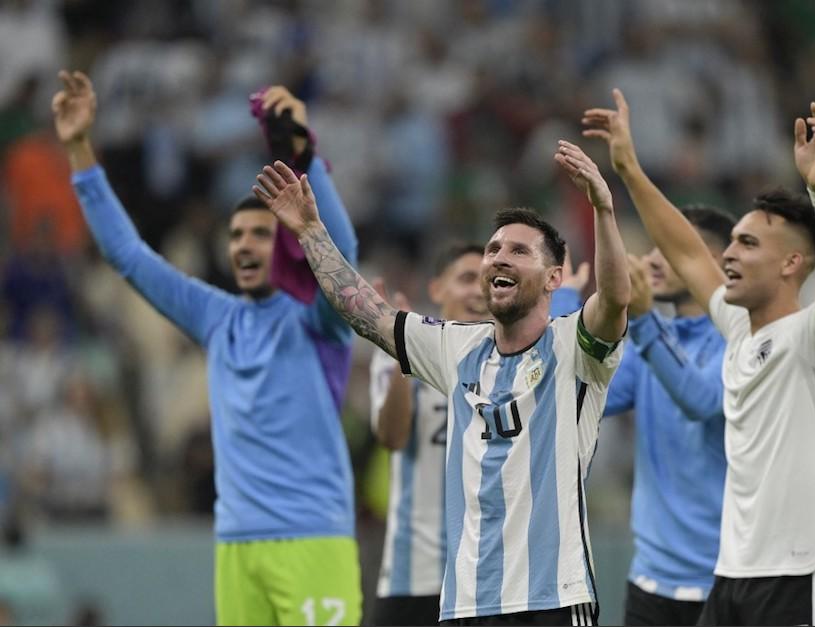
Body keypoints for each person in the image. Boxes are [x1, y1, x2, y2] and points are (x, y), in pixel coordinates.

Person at [253, 139, 631, 625]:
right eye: (494, 249)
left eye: (518, 250)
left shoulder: (575, 347)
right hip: (466, 603)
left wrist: (602, 209)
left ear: (554, 277)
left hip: (553, 598)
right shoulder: (458, 347)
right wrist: (310, 232)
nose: (498, 258)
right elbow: (366, 313)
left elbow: (616, 299)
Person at [54, 70, 362, 626]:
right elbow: (128, 255)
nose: (244, 244)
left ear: (288, 242)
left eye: (261, 233)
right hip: (235, 545)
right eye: (237, 235)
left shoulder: (321, 323)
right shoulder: (216, 318)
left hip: (314, 539)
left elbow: (344, 256)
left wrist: (304, 155)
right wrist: (79, 148)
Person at [584, 89, 815, 625]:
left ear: (792, 264)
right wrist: (628, 168)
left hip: (805, 569)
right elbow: (687, 249)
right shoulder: (738, 328)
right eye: (730, 242)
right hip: (733, 574)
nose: (729, 254)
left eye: (748, 244)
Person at [369, 246, 589, 626]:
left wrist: (563, 298)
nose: (475, 291)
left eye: (480, 280)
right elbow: (391, 437)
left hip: (489, 575)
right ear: (437, 290)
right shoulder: (413, 353)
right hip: (416, 571)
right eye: (464, 278)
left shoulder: (509, 366)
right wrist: (401, 364)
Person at [602, 206, 734, 626]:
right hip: (649, 583)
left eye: (672, 249)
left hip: (723, 581)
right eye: (654, 248)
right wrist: (573, 306)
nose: (654, 260)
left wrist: (642, 320)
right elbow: (585, 396)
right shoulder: (655, 341)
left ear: (713, 263)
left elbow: (700, 399)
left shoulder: (741, 342)